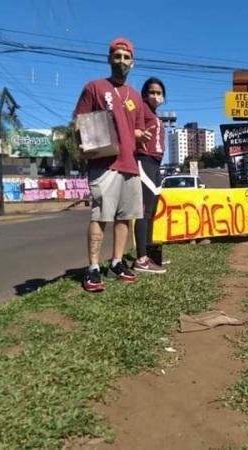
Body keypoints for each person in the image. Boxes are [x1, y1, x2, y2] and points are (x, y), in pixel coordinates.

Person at [73, 37, 150, 292]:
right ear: (109, 59)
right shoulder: (94, 88)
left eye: (126, 58)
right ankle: (93, 267)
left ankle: (117, 262)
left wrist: (140, 135)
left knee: (124, 217)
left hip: (130, 164)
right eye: (117, 57)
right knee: (100, 215)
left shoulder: (136, 97)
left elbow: (137, 129)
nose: (122, 62)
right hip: (104, 164)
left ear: (133, 63)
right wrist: (81, 138)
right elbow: (79, 120)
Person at [133, 77, 167, 274]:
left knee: (152, 210)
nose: (155, 96)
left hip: (156, 163)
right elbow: (131, 127)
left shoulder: (155, 115)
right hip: (144, 160)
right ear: (145, 94)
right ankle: (141, 258)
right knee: (143, 211)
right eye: (152, 92)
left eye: (159, 93)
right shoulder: (141, 109)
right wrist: (138, 135)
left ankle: (150, 254)